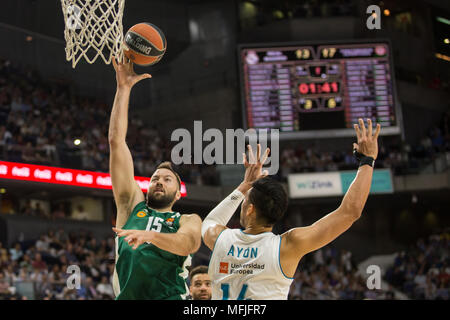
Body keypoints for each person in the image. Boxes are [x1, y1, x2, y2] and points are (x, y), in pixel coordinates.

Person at [202, 119, 381, 300]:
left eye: (244, 201)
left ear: (250, 210)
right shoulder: (287, 246)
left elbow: (209, 222)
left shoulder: (221, 238)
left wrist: (243, 186)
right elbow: (350, 212)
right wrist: (367, 161)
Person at [109, 56, 202, 300]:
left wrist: (149, 236)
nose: (159, 181)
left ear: (179, 192)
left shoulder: (187, 219)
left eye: (167, 179)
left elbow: (188, 244)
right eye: (155, 178)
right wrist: (123, 89)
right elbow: (116, 143)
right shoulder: (131, 206)